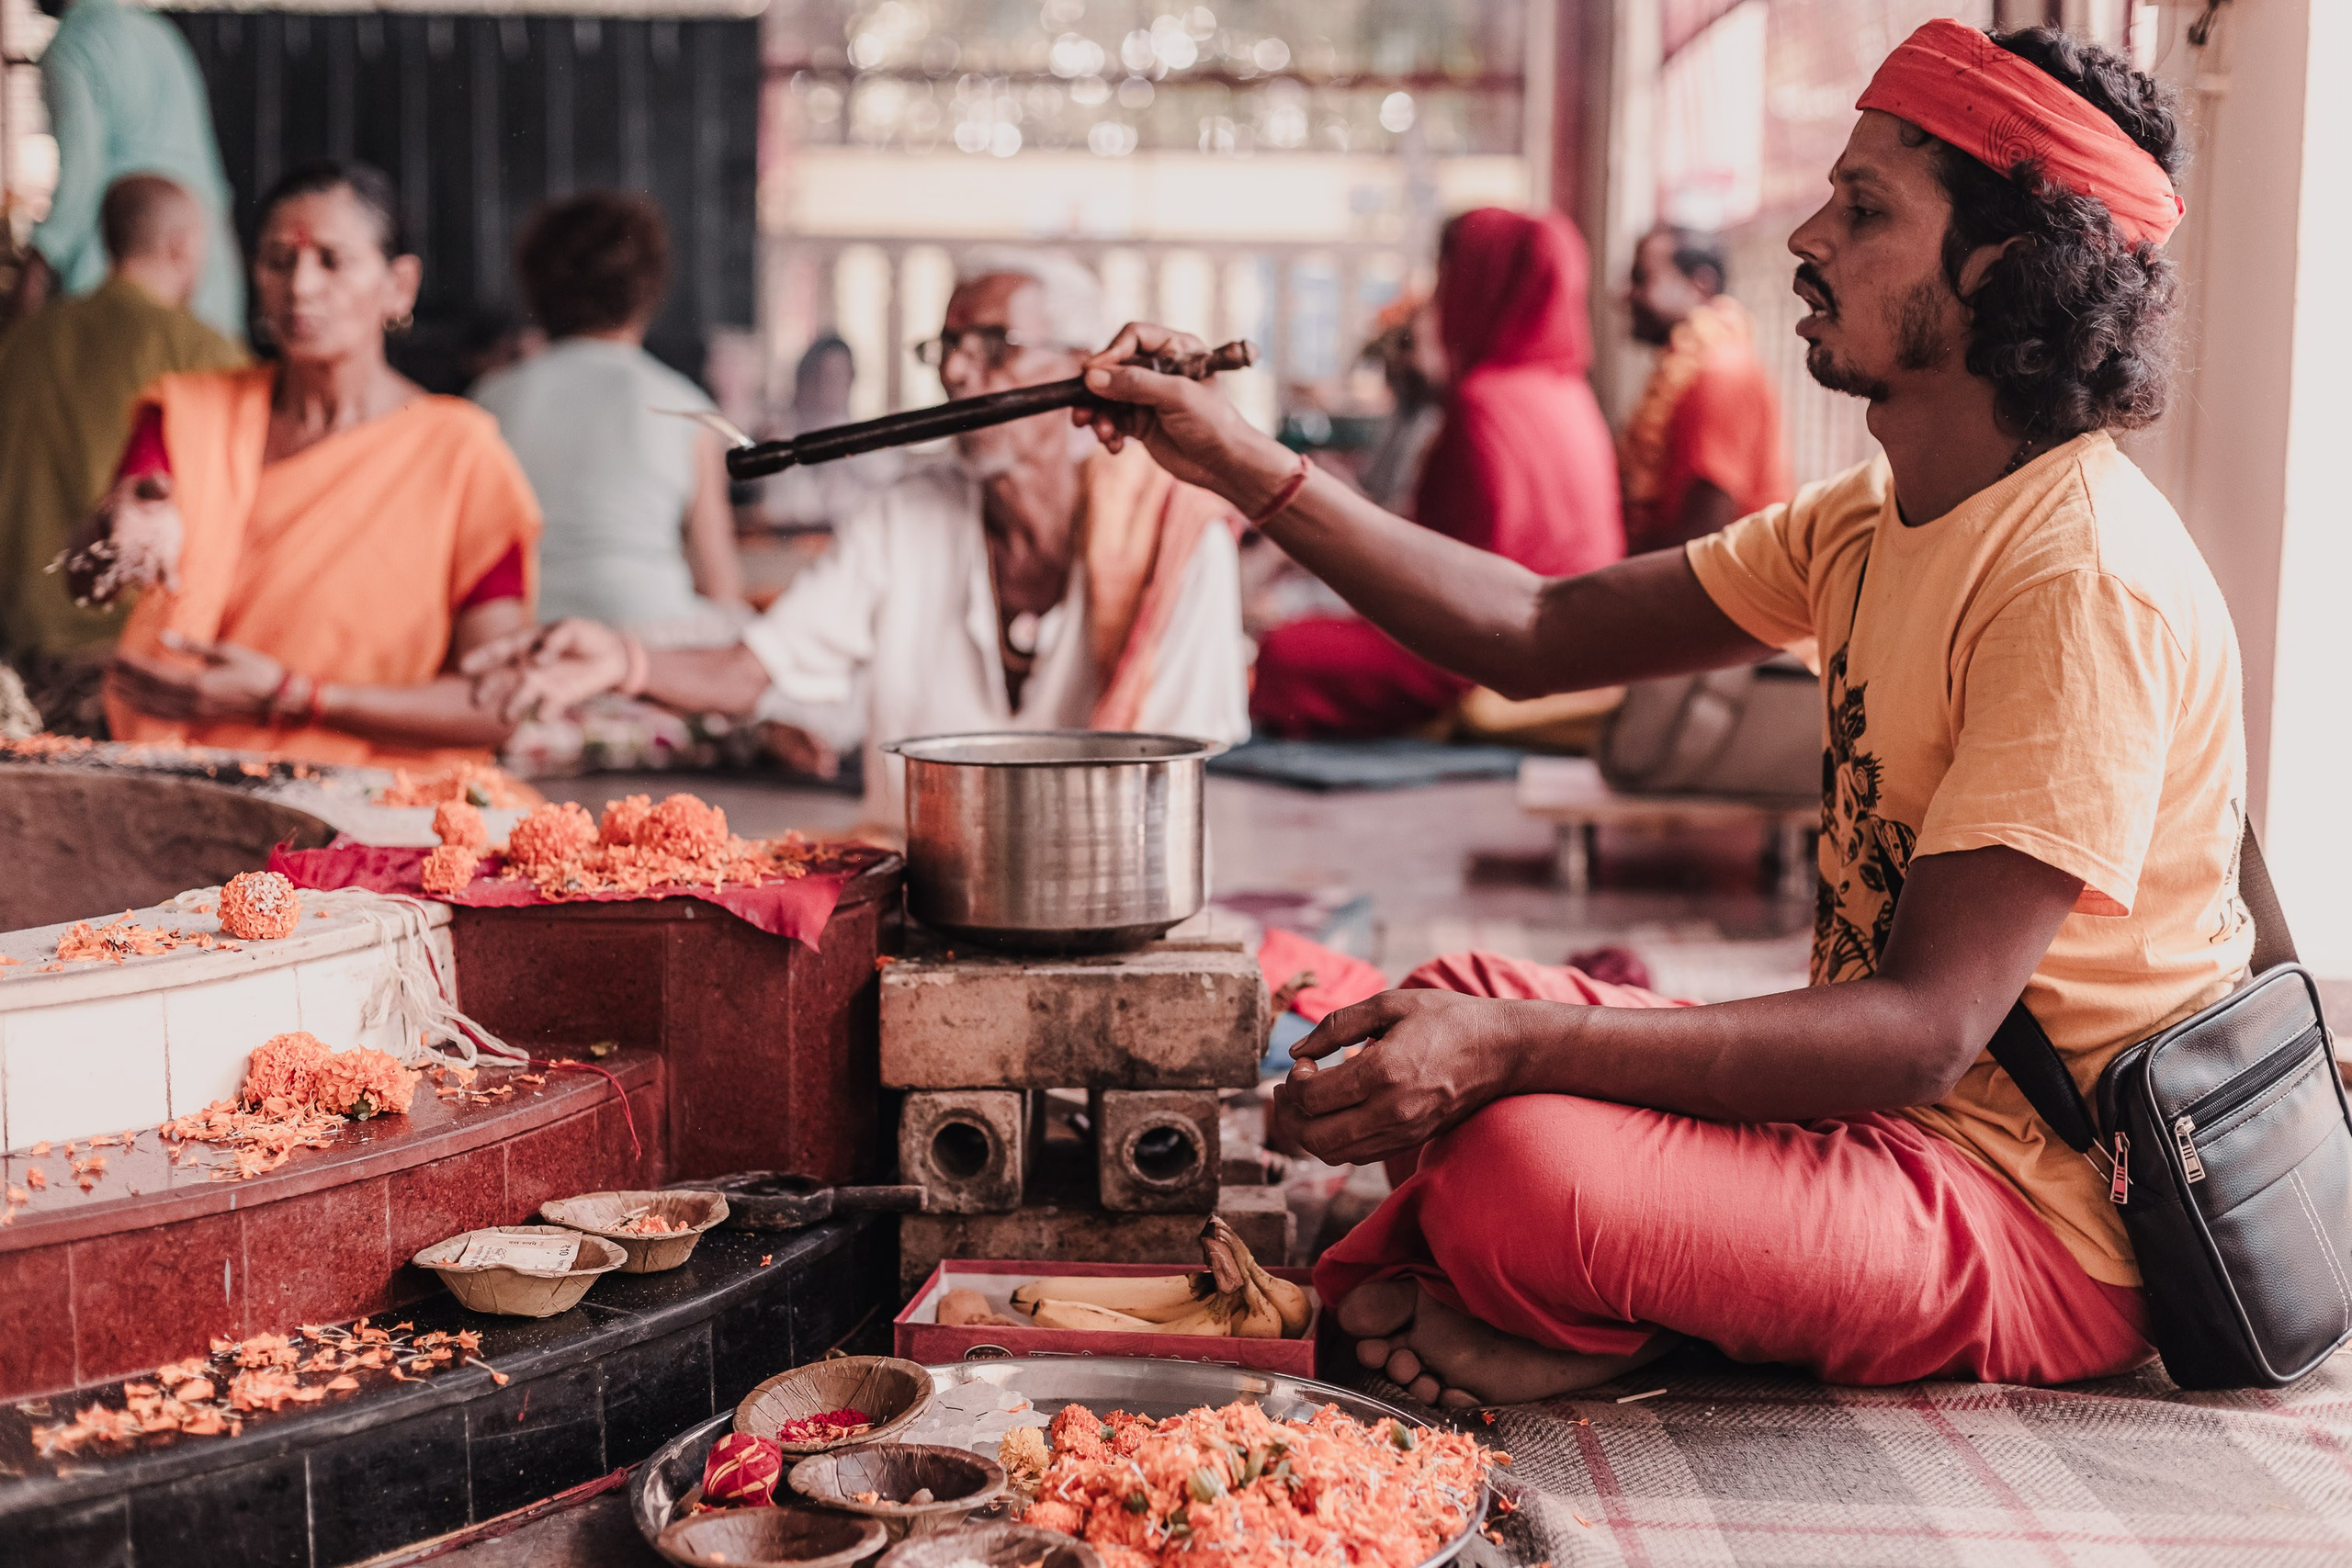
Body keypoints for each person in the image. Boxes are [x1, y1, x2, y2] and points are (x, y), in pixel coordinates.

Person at [1072, 22, 2228, 1398]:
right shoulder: (1871, 515)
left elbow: (1924, 1031)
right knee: (1438, 1006)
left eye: (1863, 210)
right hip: (1875, 1121)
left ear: (2003, 265)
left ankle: (1628, 1323)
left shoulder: (2077, 573)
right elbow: (1534, 629)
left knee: (1517, 1163)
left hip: (2039, 1217)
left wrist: (1526, 1052)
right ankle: (1597, 1299)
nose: (1806, 236)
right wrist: (1229, 454)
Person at [466, 249, 1250, 828]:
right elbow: (754, 669)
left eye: (993, 348)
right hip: (920, 882)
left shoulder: (1173, 540)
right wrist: (624, 660)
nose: (958, 375)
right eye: (948, 349)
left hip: (1106, 891)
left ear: (1088, 370)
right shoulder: (903, 516)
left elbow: (1171, 773)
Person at [65, 160, 541, 768]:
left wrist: (297, 698)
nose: (300, 287)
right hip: (191, 776)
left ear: (399, 285)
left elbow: (495, 707)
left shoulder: (461, 453)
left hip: (387, 799)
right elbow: (88, 578)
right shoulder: (190, 413)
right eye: (277, 261)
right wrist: (115, 530)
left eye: (332, 261)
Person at [1250, 208, 1624, 738]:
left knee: (1283, 651)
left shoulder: (1484, 403)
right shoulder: (1570, 392)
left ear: (1482, 284)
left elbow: (1442, 591)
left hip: (1492, 650)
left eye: (1450, 275)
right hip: (1571, 640)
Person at [0, 175, 244, 732]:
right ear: (182, 246)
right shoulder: (202, 350)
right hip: (142, 671)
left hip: (20, 657)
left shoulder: (21, 341)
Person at [472, 191, 745, 646]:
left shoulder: (489, 399)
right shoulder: (686, 405)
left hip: (527, 636)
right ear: (649, 289)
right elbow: (719, 581)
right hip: (654, 640)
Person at [17, 0, 243, 338]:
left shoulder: (72, 45)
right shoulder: (161, 33)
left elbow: (81, 170)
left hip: (120, 262)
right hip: (209, 261)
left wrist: (38, 262)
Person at [1619, 225, 1793, 552]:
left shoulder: (1720, 373)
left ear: (1700, 286)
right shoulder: (1683, 367)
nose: (1627, 294)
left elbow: (1705, 532)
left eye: (1642, 278)